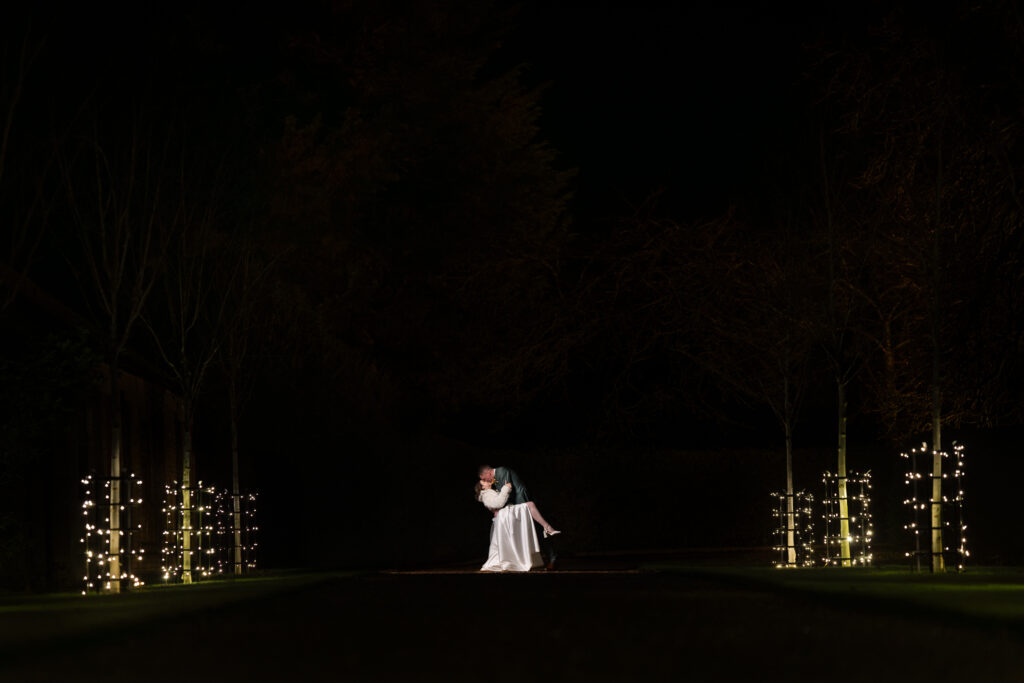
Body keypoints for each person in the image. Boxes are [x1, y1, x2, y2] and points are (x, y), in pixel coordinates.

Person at [477, 464, 560, 569]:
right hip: (515, 504)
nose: (487, 481)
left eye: (485, 479)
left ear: (488, 472)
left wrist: (499, 508)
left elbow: (508, 490)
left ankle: (552, 556)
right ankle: (537, 557)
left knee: (537, 528)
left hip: (520, 499)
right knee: (530, 530)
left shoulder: (502, 471)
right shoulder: (495, 479)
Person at [475, 478, 543, 572]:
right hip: (503, 517)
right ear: (482, 487)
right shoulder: (486, 494)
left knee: (505, 542)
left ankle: (514, 559)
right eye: (484, 482)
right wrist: (505, 489)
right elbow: (498, 503)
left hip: (503, 517)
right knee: (529, 505)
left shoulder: (490, 492)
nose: (487, 481)